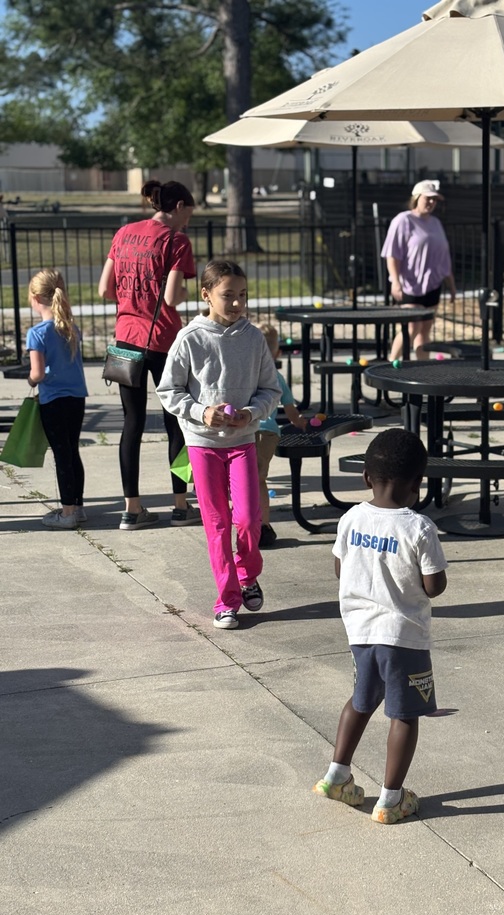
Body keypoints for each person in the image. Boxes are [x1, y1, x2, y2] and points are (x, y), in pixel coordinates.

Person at [313, 428, 448, 825]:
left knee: (361, 701)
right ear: (418, 483)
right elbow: (434, 586)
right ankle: (391, 799)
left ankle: (336, 775)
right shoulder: (419, 528)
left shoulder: (351, 518)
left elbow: (340, 569)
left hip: (360, 632)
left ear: (366, 477)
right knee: (404, 714)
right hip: (403, 636)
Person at [156, 259, 281, 630]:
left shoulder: (253, 338)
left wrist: (251, 412)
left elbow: (271, 390)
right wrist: (200, 412)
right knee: (217, 523)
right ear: (206, 295)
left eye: (243, 294)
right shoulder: (190, 338)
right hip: (202, 444)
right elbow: (169, 390)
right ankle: (226, 601)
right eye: (229, 295)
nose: (238, 303)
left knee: (248, 519)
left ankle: (247, 575)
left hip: (243, 440)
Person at [98, 179, 200, 530]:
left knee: (132, 423)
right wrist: (184, 293)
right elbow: (171, 297)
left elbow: (105, 289)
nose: (188, 221)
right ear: (178, 207)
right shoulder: (177, 241)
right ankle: (180, 505)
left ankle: (132, 509)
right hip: (163, 340)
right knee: (176, 422)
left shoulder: (124, 233)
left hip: (126, 338)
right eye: (188, 213)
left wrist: (134, 299)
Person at [25, 269, 88, 529]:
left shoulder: (37, 333)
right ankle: (79, 507)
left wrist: (30, 381)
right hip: (76, 397)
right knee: (72, 451)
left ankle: (67, 512)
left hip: (53, 400)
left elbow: (38, 373)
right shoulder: (71, 328)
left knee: (61, 454)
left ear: (36, 298)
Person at [381, 180, 456, 361]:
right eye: (427, 198)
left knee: (425, 329)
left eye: (434, 199)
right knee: (411, 327)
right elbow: (392, 254)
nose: (431, 202)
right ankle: (391, 362)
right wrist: (395, 281)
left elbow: (444, 258)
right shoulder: (403, 220)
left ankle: (423, 368)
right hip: (410, 285)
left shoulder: (436, 223)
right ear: (416, 198)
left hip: (433, 284)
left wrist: (452, 285)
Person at [254, 321, 308, 548]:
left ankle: (248, 524)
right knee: (259, 479)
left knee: (245, 479)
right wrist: (300, 422)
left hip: (246, 431)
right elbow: (291, 411)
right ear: (277, 353)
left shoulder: (245, 375)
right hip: (268, 434)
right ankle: (263, 526)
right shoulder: (277, 377)